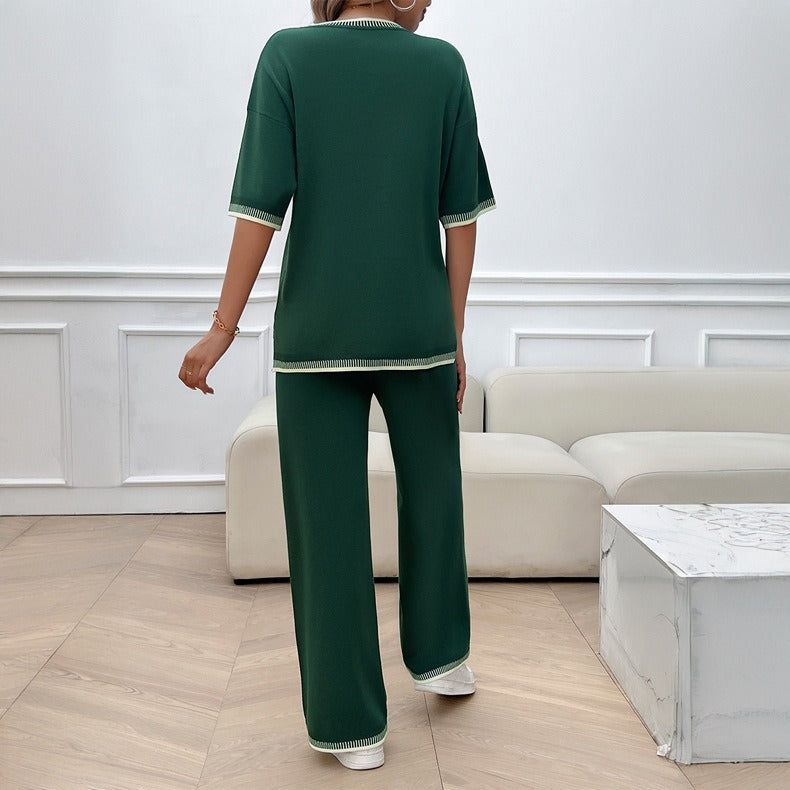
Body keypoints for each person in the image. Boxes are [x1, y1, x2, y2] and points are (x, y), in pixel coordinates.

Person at [178, 0, 496, 772]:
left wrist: (222, 328)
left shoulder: (287, 55)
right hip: (418, 331)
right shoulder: (442, 65)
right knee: (435, 497)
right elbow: (461, 218)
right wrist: (452, 333)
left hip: (315, 336)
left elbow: (260, 206)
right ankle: (442, 658)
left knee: (326, 531)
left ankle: (353, 726)